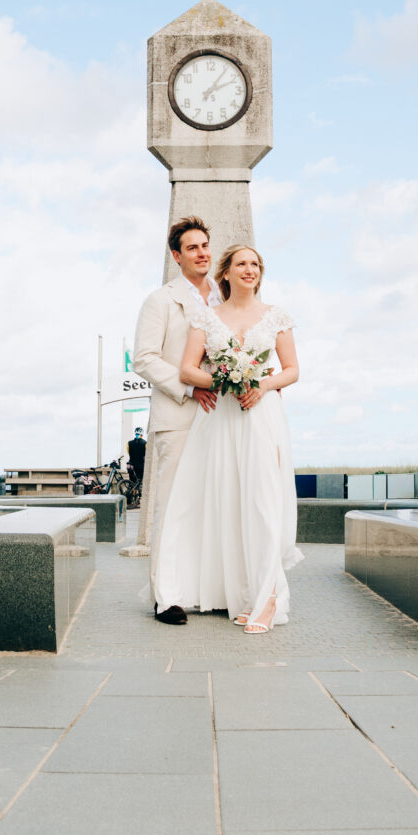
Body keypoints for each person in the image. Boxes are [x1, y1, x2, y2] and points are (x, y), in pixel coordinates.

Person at [151, 245, 301, 632]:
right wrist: (226, 379)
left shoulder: (276, 316)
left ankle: (268, 600)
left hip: (260, 415)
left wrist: (261, 383)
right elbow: (187, 369)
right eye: (242, 264)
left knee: (263, 500)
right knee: (228, 501)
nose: (249, 270)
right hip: (219, 418)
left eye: (255, 265)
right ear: (227, 273)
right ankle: (244, 594)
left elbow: (292, 370)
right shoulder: (207, 316)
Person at [129, 218, 221, 597]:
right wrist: (189, 388)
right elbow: (145, 359)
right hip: (177, 417)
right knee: (170, 509)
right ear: (176, 256)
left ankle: (206, 591)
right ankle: (165, 597)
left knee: (211, 507)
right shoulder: (160, 300)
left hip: (219, 417)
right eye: (193, 248)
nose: (202, 253)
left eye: (205, 246)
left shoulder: (222, 297)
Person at [126, 429, 146, 503]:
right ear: (142, 434)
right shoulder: (145, 443)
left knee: (132, 482)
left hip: (131, 465)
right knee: (140, 482)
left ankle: (131, 499)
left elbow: (128, 452)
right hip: (141, 465)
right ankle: (138, 500)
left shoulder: (129, 443)